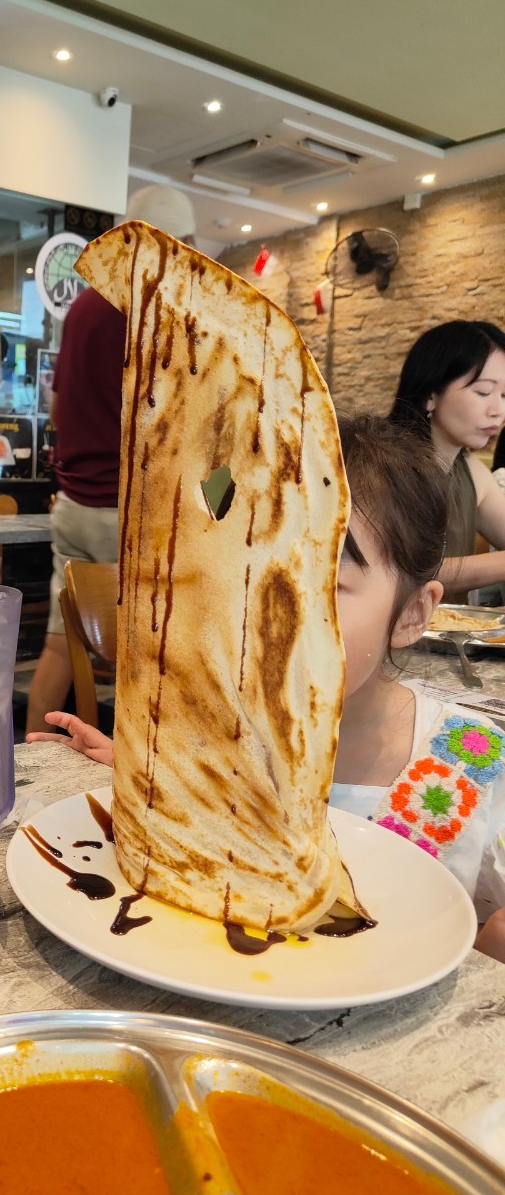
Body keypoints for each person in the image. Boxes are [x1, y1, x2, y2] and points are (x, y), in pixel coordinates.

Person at [27, 414, 505, 961]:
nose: (263, 614)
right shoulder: (209, 734)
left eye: (321, 581)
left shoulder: (476, 767)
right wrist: (147, 773)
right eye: (238, 574)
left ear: (413, 613)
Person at [25, 183, 197, 733]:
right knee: (152, 654)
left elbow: (58, 406)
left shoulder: (84, 304)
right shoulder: (157, 310)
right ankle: (139, 763)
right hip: (129, 513)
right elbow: (175, 422)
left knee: (60, 644)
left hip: (73, 505)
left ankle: (31, 757)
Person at [389, 319, 505, 599]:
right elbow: (405, 572)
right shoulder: (384, 467)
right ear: (430, 394)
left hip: (449, 628)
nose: (498, 410)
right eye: (483, 392)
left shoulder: (473, 473)